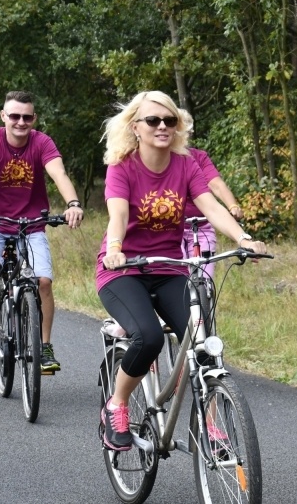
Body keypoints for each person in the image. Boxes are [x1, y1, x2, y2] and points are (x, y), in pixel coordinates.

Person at [96, 90, 267, 451]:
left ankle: (211, 423)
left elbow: (211, 207)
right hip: (124, 270)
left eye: (169, 120)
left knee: (205, 344)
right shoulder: (122, 166)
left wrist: (243, 237)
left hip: (170, 268)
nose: (162, 127)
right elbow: (119, 215)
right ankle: (118, 404)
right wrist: (114, 249)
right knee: (149, 337)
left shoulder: (185, 164)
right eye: (153, 120)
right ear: (135, 127)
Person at [0, 90, 84, 372]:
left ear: (34, 118)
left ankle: (45, 347)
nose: (20, 122)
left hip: (31, 224)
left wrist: (73, 204)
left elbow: (58, 173)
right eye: (14, 116)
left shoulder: (42, 143)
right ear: (3, 116)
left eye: (27, 117)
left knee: (44, 282)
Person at [179, 109, 244, 278]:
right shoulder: (162, 162)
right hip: (172, 229)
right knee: (178, 278)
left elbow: (215, 184)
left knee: (205, 279)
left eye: (187, 132)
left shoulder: (198, 157)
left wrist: (233, 205)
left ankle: (205, 299)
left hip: (201, 226)